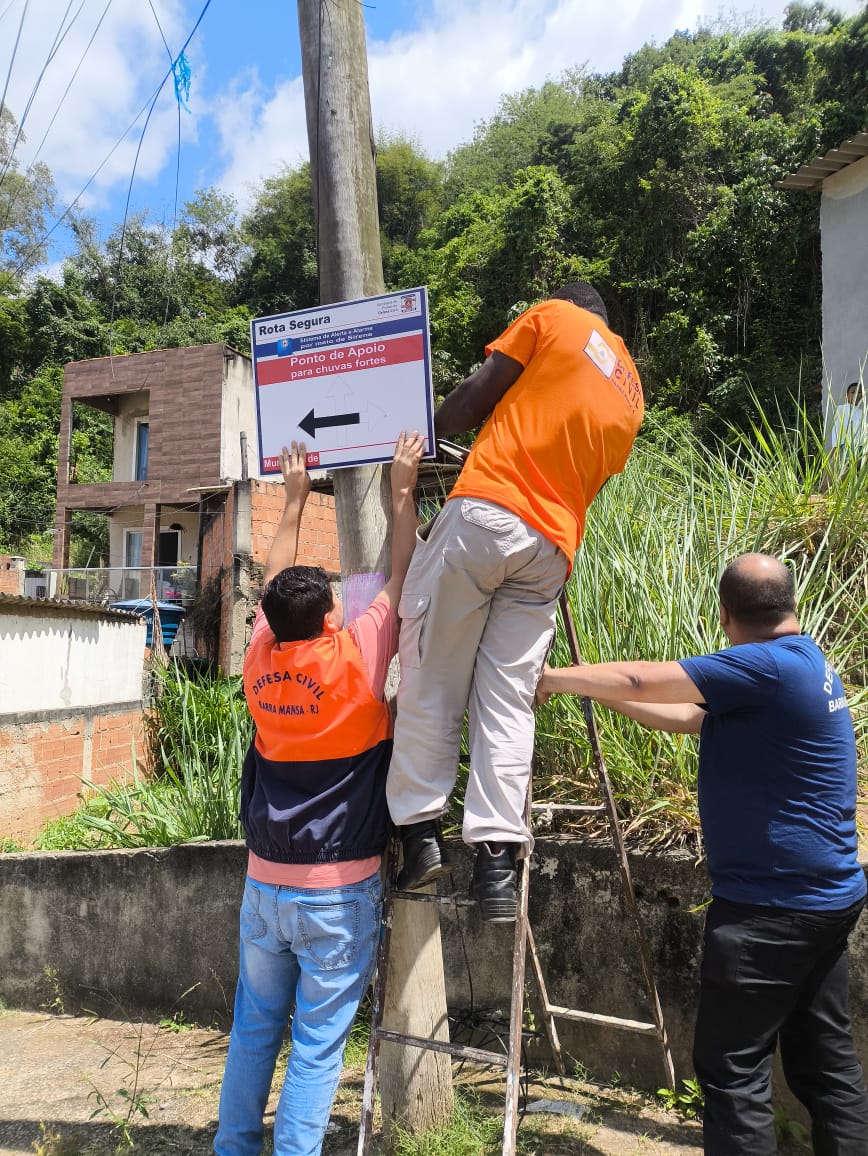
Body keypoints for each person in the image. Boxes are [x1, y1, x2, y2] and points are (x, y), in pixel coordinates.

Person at [537, 553, 868, 1155]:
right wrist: (589, 685)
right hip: (823, 900)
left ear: (725, 618)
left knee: (733, 1072)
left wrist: (553, 678)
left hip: (770, 911)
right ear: (788, 605)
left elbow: (645, 680)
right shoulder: (805, 662)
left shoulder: (763, 666)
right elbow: (684, 715)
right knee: (825, 1063)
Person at [385, 282, 644, 921]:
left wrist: (418, 432)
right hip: (551, 549)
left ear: (568, 303)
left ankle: (420, 837)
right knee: (507, 702)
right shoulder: (631, 389)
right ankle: (496, 862)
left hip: (487, 514)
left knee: (430, 676)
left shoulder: (553, 316)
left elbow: (477, 395)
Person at [215, 432, 426, 1156]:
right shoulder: (356, 659)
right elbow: (403, 573)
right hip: (337, 889)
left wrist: (297, 498)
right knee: (314, 1047)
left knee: (252, 1031)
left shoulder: (257, 662)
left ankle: (233, 1148)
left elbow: (271, 578)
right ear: (331, 616)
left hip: (265, 886)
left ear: (271, 627)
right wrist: (402, 489)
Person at [827, 381, 865, 469]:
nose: (857, 394)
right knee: (848, 471)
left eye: (859, 392)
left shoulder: (861, 412)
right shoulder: (841, 409)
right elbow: (836, 429)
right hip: (848, 447)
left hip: (861, 447)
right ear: (847, 395)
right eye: (853, 392)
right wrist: (835, 448)